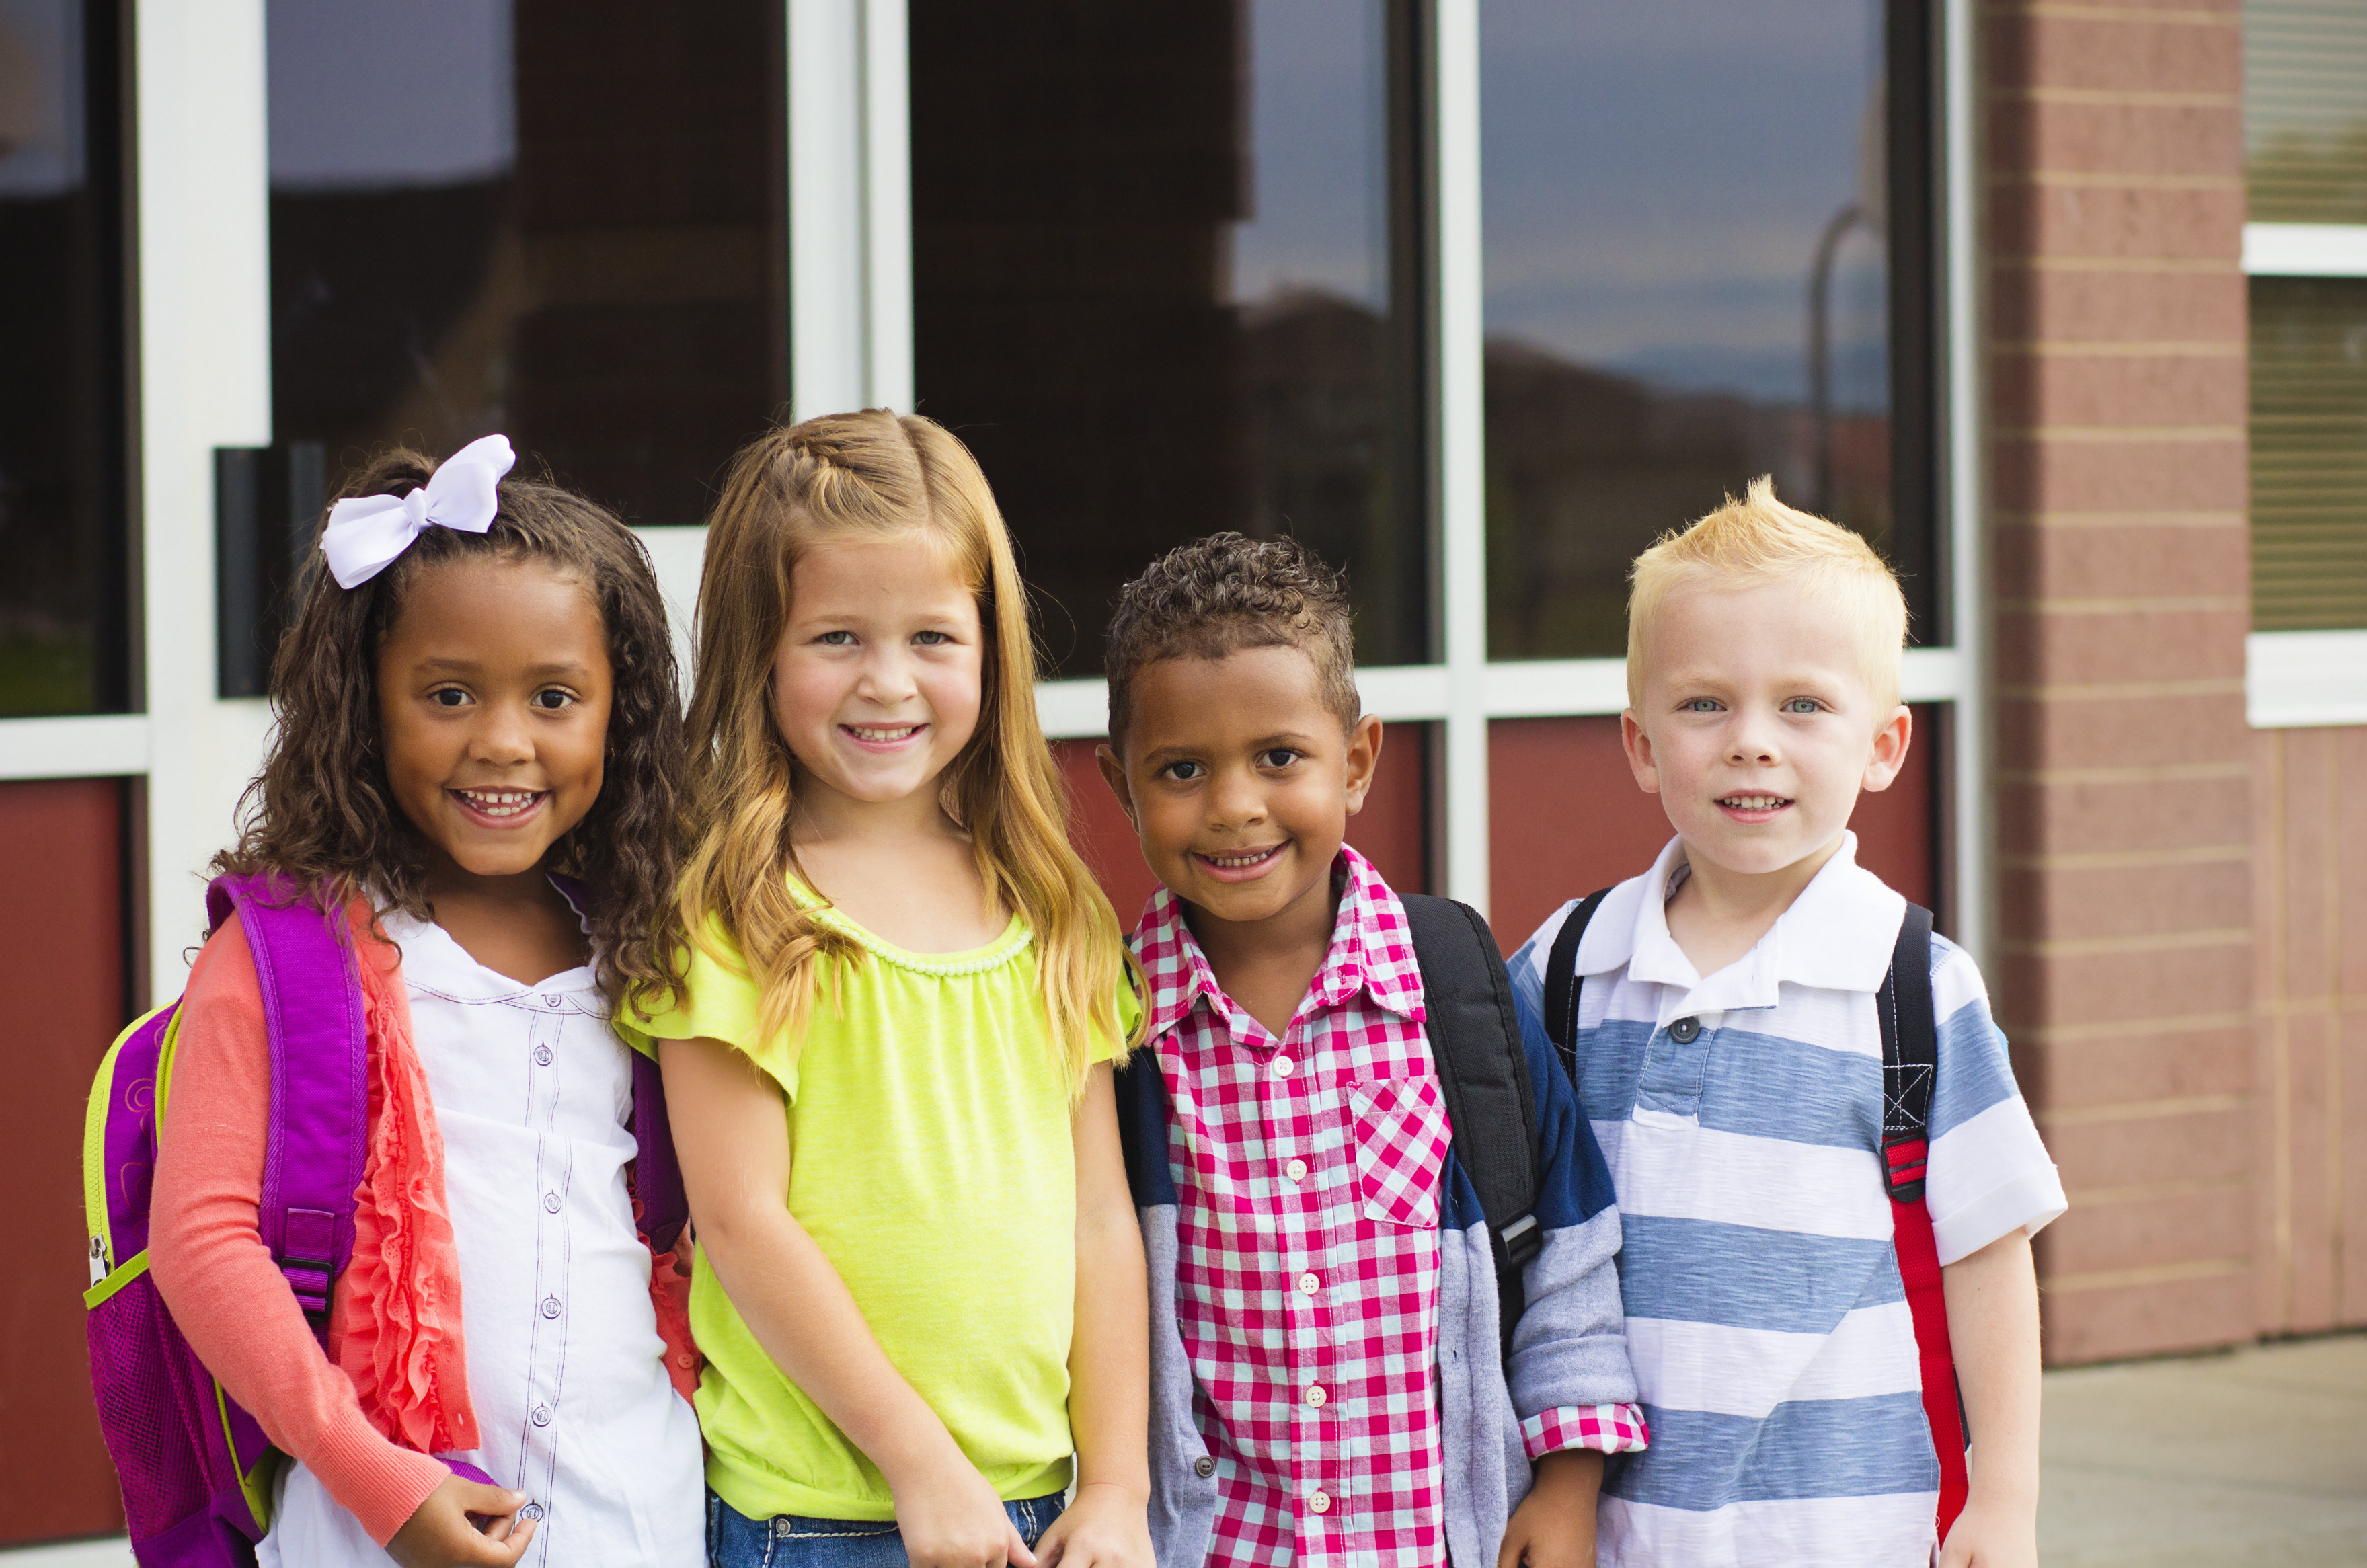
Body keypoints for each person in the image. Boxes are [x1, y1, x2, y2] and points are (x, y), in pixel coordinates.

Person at [148, 435, 706, 1568]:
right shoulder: (288, 954)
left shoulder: (648, 944)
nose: (502, 741)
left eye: (556, 697)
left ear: (621, 713)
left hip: (637, 1520)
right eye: (448, 694)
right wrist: (379, 1484)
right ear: (368, 703)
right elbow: (202, 1244)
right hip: (375, 1525)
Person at [1506, 479, 2068, 1568]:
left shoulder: (1913, 989)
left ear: (1884, 746)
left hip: (1850, 1526)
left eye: (1803, 706)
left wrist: (2004, 1500)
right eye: (1705, 703)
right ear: (1638, 743)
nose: (1751, 742)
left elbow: (1989, 1259)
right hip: (1620, 1529)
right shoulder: (1570, 968)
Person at [642, 409, 1152, 1568]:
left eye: (932, 636)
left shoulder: (1050, 906)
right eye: (836, 639)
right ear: (759, 649)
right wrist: (921, 1466)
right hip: (821, 1517)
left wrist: (1117, 1481)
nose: (888, 682)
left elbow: (1101, 1219)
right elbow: (741, 1220)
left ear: (990, 648)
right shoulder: (738, 910)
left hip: (1044, 1509)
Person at [1094, 533, 1647, 1568]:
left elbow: (1569, 1257)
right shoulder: (1111, 1034)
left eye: (1279, 757)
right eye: (1180, 769)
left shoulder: (1455, 989)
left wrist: (1568, 1485)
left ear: (1356, 761)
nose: (1234, 806)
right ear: (1120, 786)